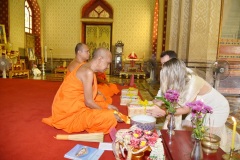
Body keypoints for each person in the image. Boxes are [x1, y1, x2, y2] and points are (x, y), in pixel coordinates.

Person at [147, 58, 230, 151]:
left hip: (216, 108)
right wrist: (159, 102)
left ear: (173, 75)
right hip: (199, 107)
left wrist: (164, 111)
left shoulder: (193, 83)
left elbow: (186, 109)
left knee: (207, 139)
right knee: (188, 133)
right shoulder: (181, 74)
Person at [42, 48, 122, 134]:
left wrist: (106, 106)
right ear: (99, 59)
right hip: (69, 115)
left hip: (77, 106)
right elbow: (88, 102)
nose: (108, 67)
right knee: (110, 118)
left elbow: (89, 97)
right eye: (108, 63)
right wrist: (106, 111)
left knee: (103, 101)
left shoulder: (87, 67)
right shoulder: (88, 72)